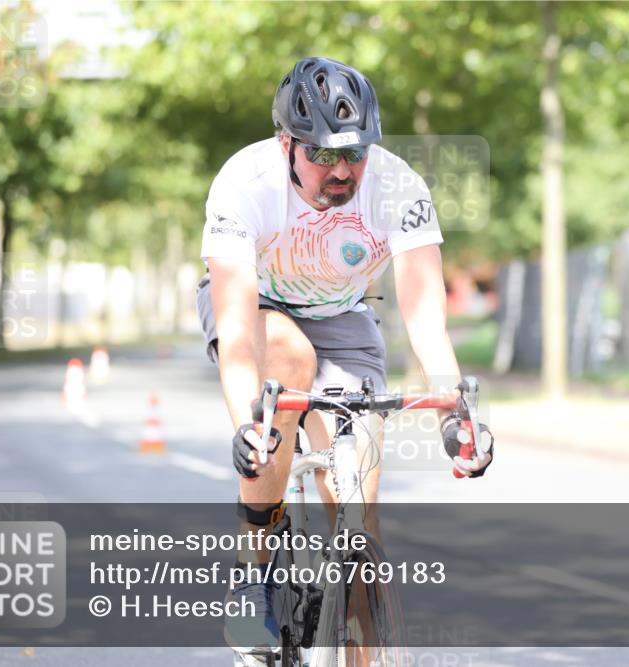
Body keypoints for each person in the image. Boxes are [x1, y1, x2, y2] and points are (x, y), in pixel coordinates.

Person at [196, 56, 494, 656]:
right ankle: (253, 576)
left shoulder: (399, 186)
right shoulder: (243, 184)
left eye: (354, 154)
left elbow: (424, 317)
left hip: (345, 317)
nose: (341, 170)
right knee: (288, 362)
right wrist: (246, 425)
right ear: (287, 144)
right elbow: (235, 333)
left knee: (356, 512)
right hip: (261, 311)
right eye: (323, 155)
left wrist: (454, 416)